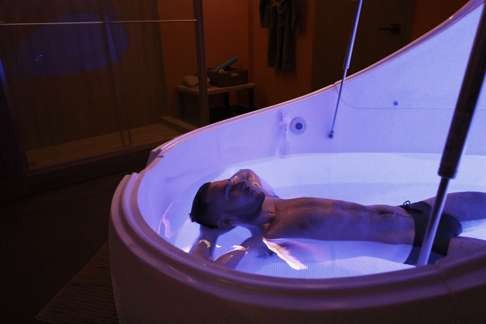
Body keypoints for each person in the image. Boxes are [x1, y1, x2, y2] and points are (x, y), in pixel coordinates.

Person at [189, 169, 486, 268]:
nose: (239, 183)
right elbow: (211, 275)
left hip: (418, 211)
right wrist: (207, 234)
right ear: (227, 221)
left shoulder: (271, 199)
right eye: (230, 192)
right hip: (424, 247)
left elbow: (247, 171)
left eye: (232, 180)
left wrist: (232, 185)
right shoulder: (270, 239)